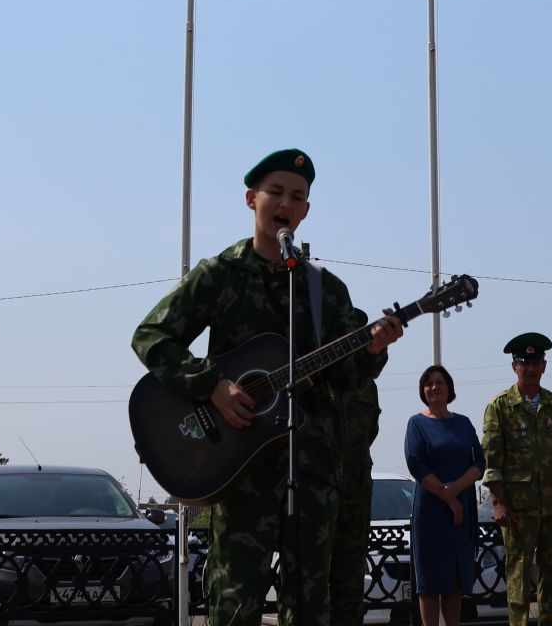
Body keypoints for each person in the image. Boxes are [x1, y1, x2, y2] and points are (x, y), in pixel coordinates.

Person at [131, 149, 405, 626]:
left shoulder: (325, 289)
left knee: (310, 607)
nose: (286, 203)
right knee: (235, 606)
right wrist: (213, 385)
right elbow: (151, 336)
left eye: (297, 197)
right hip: (239, 470)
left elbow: (344, 378)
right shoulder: (219, 275)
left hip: (313, 471)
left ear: (305, 212)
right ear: (251, 199)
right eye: (275, 192)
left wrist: (374, 349)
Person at [482, 332, 552, 626]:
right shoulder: (500, 406)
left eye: (535, 362)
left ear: (544, 366)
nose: (529, 368)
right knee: (519, 575)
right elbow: (492, 460)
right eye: (523, 363)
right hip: (518, 509)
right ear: (514, 367)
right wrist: (498, 503)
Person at [404, 364, 486, 626]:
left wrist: (457, 490)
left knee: (455, 579)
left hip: (461, 509)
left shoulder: (463, 423)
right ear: (422, 390)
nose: (434, 387)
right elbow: (416, 463)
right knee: (430, 582)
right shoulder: (416, 423)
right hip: (431, 511)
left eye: (439, 382)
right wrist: (447, 496)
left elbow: (480, 462)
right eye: (428, 383)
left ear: (449, 388)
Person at [329, 304, 385, 626]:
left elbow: (370, 432)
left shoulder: (369, 385)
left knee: (349, 585)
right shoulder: (321, 378)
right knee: (313, 583)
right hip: (320, 490)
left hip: (355, 492)